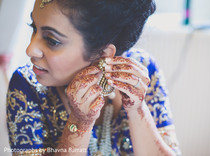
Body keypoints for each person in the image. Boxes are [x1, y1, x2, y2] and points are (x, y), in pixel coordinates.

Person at [6, 0, 181, 155]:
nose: (30, 49)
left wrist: (137, 110)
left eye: (52, 40)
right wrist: (79, 123)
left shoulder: (142, 73)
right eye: (33, 27)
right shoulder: (27, 84)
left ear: (103, 54)